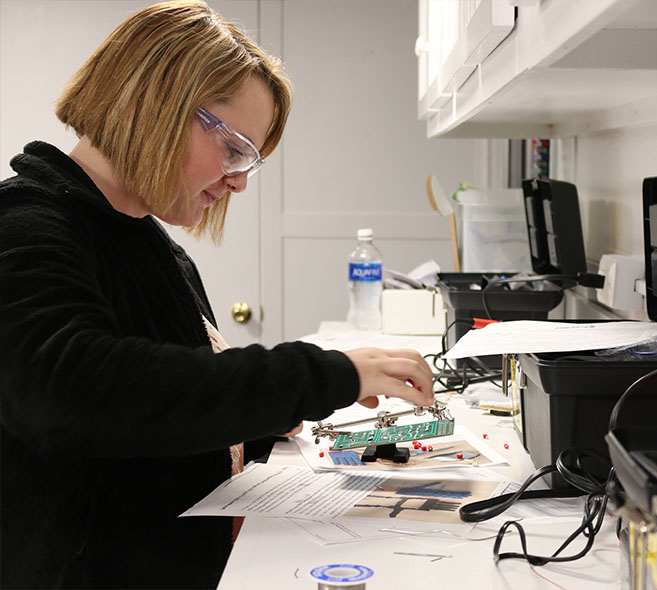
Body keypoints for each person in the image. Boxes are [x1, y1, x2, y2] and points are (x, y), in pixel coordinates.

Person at [0, 1, 434, 588]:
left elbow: (161, 408)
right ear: (156, 105)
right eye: (234, 150)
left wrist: (262, 421)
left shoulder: (148, 241)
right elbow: (70, 395)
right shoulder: (24, 226)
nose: (239, 181)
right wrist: (321, 376)